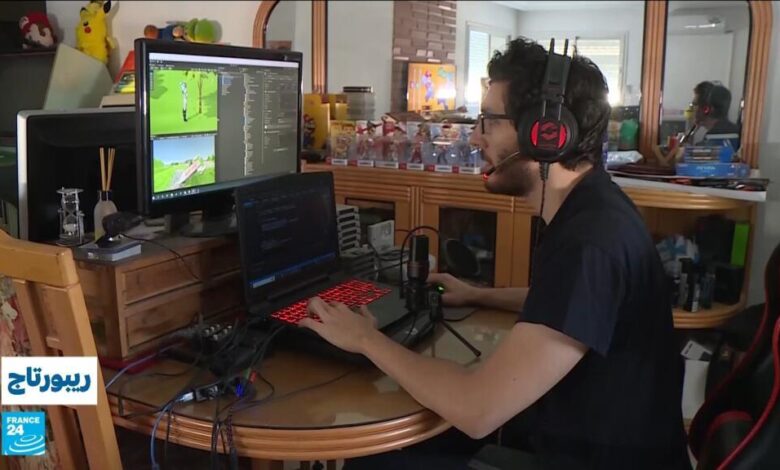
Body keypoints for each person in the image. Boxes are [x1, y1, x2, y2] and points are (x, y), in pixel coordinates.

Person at [301, 37, 691, 470]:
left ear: (545, 133)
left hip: (590, 458)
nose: (474, 137)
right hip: (591, 440)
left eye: (487, 121)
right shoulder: (596, 206)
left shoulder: (591, 244)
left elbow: (477, 410)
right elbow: (569, 306)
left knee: (375, 462)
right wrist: (477, 294)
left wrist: (365, 339)